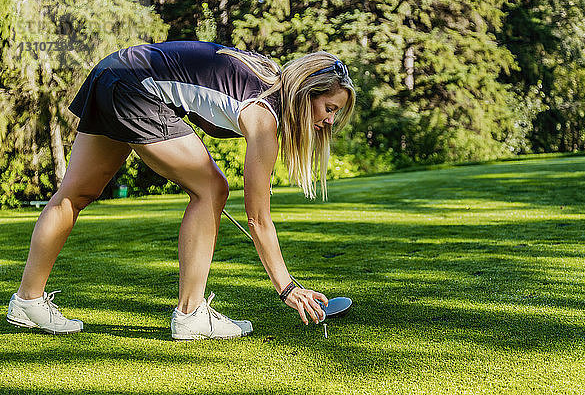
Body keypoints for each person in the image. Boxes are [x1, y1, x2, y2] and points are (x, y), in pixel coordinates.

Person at [5, 41, 356, 339]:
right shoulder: (264, 117)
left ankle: (27, 301)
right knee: (212, 189)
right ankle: (190, 315)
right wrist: (288, 288)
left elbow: (195, 93)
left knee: (74, 195)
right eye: (329, 109)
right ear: (307, 93)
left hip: (114, 71)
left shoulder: (266, 78)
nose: (329, 122)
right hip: (134, 86)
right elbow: (258, 219)